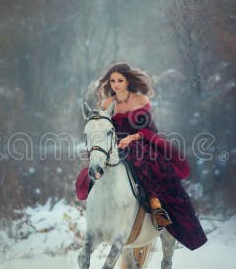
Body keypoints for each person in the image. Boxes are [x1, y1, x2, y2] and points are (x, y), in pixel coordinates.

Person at [76, 62, 207, 250]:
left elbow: (148, 128)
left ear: (128, 81)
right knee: (95, 166)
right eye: (112, 81)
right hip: (114, 146)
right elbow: (102, 129)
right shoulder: (106, 104)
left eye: (120, 80)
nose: (116, 84)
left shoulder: (141, 99)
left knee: (144, 161)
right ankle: (97, 209)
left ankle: (155, 205)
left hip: (140, 142)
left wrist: (132, 137)